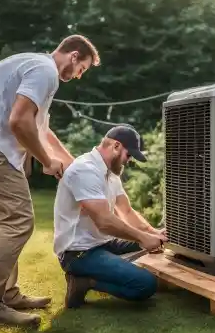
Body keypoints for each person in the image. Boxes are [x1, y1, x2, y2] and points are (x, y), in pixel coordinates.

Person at [0, 34, 100, 326]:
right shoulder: (46, 71)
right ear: (73, 56)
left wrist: (71, 169)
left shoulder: (29, 62)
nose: (79, 75)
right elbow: (19, 122)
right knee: (18, 220)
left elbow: (41, 131)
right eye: (81, 68)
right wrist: (46, 161)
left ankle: (6, 293)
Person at [53, 125, 167, 309]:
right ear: (116, 146)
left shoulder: (110, 174)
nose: (128, 161)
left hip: (103, 243)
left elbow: (127, 211)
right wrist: (143, 238)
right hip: (79, 253)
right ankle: (84, 282)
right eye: (128, 155)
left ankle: (114, 266)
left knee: (156, 245)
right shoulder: (85, 170)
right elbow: (104, 222)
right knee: (146, 284)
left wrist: (154, 234)